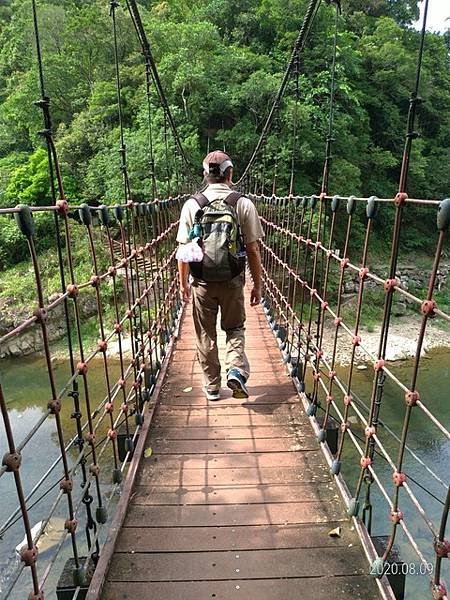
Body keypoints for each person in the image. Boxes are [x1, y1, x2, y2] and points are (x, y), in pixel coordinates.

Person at [176, 150, 264, 401]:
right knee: (235, 327)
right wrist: (257, 286)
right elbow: (253, 249)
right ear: (230, 174)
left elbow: (184, 251)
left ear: (205, 175)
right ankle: (235, 368)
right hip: (233, 281)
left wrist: (183, 283)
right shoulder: (242, 203)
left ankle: (212, 386)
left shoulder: (192, 204)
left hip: (201, 282)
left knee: (206, 333)